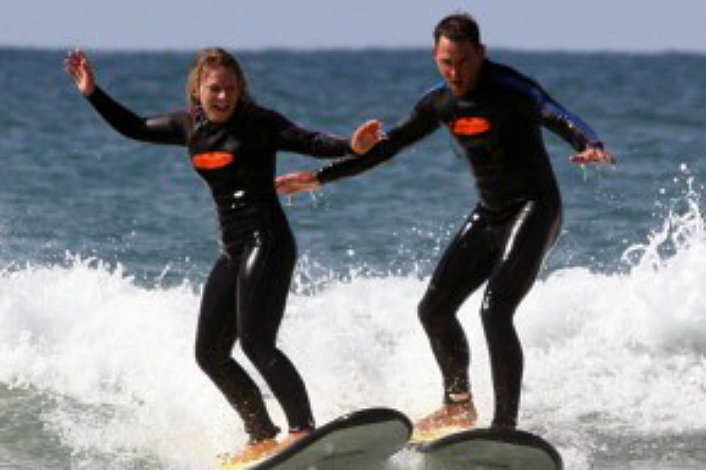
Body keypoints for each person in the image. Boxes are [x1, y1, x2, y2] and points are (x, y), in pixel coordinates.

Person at [276, 13, 614, 435]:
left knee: (495, 310)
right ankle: (458, 406)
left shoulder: (511, 88)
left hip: (535, 208)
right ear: (435, 58)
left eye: (464, 62)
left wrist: (589, 143)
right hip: (491, 213)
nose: (455, 73)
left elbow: (557, 114)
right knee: (434, 310)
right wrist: (320, 177)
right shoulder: (438, 102)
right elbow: (388, 147)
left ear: (481, 53)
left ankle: (505, 427)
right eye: (446, 63)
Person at [64, 48, 377, 462]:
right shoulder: (188, 126)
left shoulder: (260, 123)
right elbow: (134, 127)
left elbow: (310, 141)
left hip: (268, 240)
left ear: (240, 88)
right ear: (199, 89)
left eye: (231, 88)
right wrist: (92, 93)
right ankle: (261, 435)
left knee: (256, 342)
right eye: (215, 89)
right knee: (209, 354)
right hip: (234, 249)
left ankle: (302, 428)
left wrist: (352, 146)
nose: (224, 97)